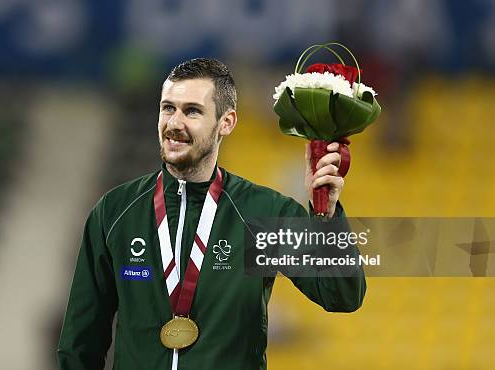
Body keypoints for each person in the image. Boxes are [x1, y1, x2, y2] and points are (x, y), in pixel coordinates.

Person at [57, 58, 366, 370]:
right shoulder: (114, 212)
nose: (174, 123)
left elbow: (341, 295)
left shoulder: (262, 212)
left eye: (192, 111)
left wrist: (325, 217)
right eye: (168, 108)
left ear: (226, 122)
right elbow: (80, 344)